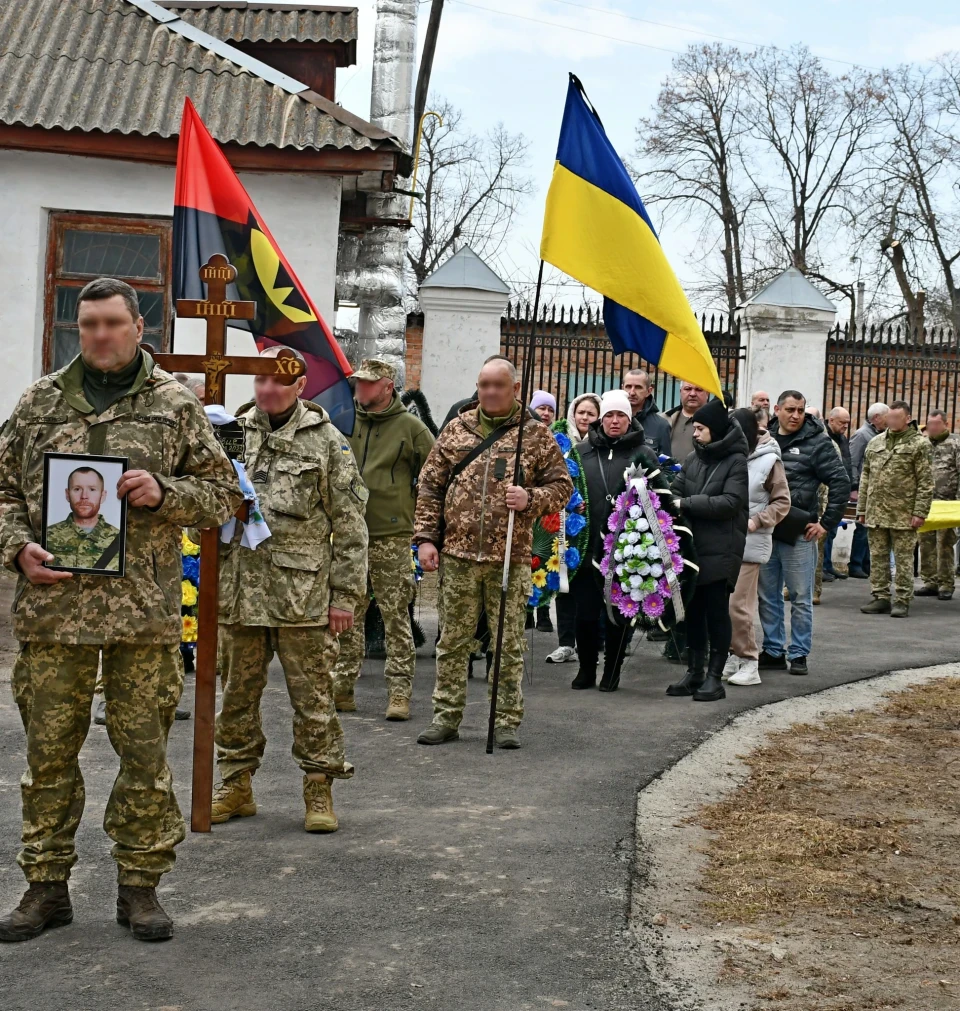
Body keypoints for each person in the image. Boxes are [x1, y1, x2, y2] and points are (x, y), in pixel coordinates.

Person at [0, 277, 242, 943]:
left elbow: (224, 493)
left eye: (112, 322)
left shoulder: (173, 406)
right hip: (53, 612)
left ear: (139, 326)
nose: (100, 335)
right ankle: (45, 886)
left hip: (142, 614)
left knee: (143, 755)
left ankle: (140, 887)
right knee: (48, 755)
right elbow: (1, 490)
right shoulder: (39, 402)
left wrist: (164, 492)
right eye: (88, 324)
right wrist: (17, 545)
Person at [211, 346, 368, 833]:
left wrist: (345, 599)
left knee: (313, 698)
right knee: (236, 696)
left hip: (302, 598)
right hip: (239, 593)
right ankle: (236, 784)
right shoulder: (232, 432)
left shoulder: (327, 442)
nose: (267, 389)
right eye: (260, 380)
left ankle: (318, 787)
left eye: (279, 381)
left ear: (300, 385)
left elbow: (351, 526)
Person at [414, 357, 572, 749]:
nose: (490, 392)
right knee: (452, 641)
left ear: (514, 389)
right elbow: (429, 487)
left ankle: (504, 721)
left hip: (509, 558)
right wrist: (426, 539)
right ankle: (446, 716)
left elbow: (562, 487)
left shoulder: (534, 435)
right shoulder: (456, 430)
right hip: (458, 556)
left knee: (507, 644)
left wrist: (531, 498)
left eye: (498, 385)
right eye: (484, 384)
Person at [332, 359, 435, 720]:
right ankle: (342, 687)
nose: (360, 388)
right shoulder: (344, 422)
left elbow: (435, 478)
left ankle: (399, 694)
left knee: (395, 618)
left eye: (368, 383)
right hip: (347, 536)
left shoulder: (411, 428)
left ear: (387, 386)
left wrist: (422, 526)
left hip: (391, 535)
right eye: (358, 382)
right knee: (347, 615)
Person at [571, 391, 667, 691]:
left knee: (617, 613)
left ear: (630, 419)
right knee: (584, 613)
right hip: (588, 546)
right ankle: (586, 667)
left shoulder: (644, 454)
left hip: (626, 549)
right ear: (602, 418)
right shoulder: (583, 452)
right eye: (610, 415)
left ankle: (612, 669)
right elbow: (567, 489)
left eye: (621, 416)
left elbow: (660, 499)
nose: (615, 421)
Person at [758, 390, 850, 676]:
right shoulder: (762, 438)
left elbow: (840, 482)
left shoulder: (818, 443)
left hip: (799, 533)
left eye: (800, 410)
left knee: (800, 596)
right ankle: (773, 650)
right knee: (767, 595)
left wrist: (826, 523)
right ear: (777, 409)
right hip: (766, 530)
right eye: (790, 409)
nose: (795, 415)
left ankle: (798, 654)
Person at [666, 399, 748, 702]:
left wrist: (687, 504)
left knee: (716, 613)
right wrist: (676, 502)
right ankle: (695, 672)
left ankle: (715, 677)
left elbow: (731, 502)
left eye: (700, 428)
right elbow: (675, 490)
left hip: (722, 548)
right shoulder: (693, 459)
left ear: (714, 429)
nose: (695, 433)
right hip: (693, 547)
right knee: (693, 613)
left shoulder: (737, 461)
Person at [722, 409, 791, 686]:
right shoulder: (729, 456)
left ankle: (750, 659)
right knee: (723, 604)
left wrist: (756, 521)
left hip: (751, 542)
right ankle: (733, 653)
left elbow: (782, 502)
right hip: (725, 540)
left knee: (738, 604)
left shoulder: (770, 460)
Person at [858, 400, 934, 618]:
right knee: (878, 556)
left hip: (903, 513)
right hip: (876, 511)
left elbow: (926, 482)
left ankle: (902, 599)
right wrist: (862, 508)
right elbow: (866, 476)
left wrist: (920, 512)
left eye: (896, 418)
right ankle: (880, 596)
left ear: (907, 419)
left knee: (903, 559)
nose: (891, 421)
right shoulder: (875, 442)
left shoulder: (920, 445)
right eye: (889, 417)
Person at [545, 392, 601, 665]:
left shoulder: (600, 447)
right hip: (564, 526)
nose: (585, 419)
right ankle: (566, 642)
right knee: (564, 583)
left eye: (591, 414)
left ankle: (592, 643)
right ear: (572, 414)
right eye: (582, 413)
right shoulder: (560, 442)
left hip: (594, 528)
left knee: (590, 587)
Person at [917, 410, 960, 600]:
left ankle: (946, 583)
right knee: (926, 543)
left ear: (945, 424)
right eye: (929, 424)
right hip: (926, 503)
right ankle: (930, 581)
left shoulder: (955, 444)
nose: (932, 428)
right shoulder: (923, 445)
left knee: (945, 544)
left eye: (935, 424)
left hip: (948, 504)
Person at [45, 467, 121, 570]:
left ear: (102, 496)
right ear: (67, 494)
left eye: (92, 489)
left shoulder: (120, 539)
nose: (84, 496)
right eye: (77, 489)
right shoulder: (47, 535)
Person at [529, 390, 559, 632]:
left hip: (549, 510)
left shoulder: (559, 438)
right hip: (527, 508)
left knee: (547, 559)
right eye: (542, 408)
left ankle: (544, 611)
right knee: (529, 558)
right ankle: (527, 610)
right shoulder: (525, 436)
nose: (546, 414)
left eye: (550, 410)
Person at [848, 403, 889, 577]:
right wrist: (854, 487)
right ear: (877, 418)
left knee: (871, 529)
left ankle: (866, 563)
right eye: (886, 417)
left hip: (876, 491)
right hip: (863, 490)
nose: (889, 421)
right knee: (862, 529)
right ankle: (856, 564)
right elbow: (853, 462)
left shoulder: (878, 435)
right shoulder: (862, 435)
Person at [821, 407, 853, 581]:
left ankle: (827, 565)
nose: (845, 426)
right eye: (842, 422)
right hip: (827, 492)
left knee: (833, 530)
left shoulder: (842, 439)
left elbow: (847, 462)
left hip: (840, 491)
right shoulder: (824, 439)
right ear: (831, 420)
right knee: (824, 530)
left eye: (847, 423)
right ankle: (823, 568)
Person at [623, 369, 672, 457]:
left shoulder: (661, 425)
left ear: (649, 391)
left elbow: (666, 465)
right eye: (628, 386)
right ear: (622, 388)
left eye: (638, 387)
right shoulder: (611, 421)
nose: (632, 392)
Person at [661, 382, 709, 461]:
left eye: (698, 389)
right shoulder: (664, 419)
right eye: (688, 389)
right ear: (680, 392)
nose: (693, 394)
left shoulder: (717, 422)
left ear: (707, 393)